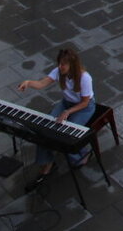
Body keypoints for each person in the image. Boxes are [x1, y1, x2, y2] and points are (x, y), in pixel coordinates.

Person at [18, 48, 96, 191]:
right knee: (46, 130)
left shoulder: (85, 78)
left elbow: (85, 102)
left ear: (72, 65)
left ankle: (81, 155)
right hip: (66, 103)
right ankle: (46, 165)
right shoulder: (59, 72)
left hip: (84, 107)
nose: (60, 67)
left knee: (66, 133)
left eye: (63, 64)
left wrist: (67, 112)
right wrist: (28, 82)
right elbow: (42, 84)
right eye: (60, 63)